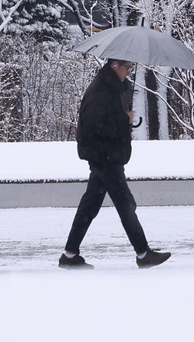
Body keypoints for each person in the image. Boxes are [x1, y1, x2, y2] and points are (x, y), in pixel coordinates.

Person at [59, 58, 172, 269]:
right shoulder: (100, 91)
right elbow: (94, 126)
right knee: (125, 205)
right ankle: (142, 253)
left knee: (89, 206)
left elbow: (105, 120)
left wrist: (123, 116)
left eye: (131, 67)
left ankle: (70, 254)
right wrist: (124, 120)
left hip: (106, 157)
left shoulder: (111, 88)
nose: (129, 71)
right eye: (127, 67)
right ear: (114, 65)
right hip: (105, 158)